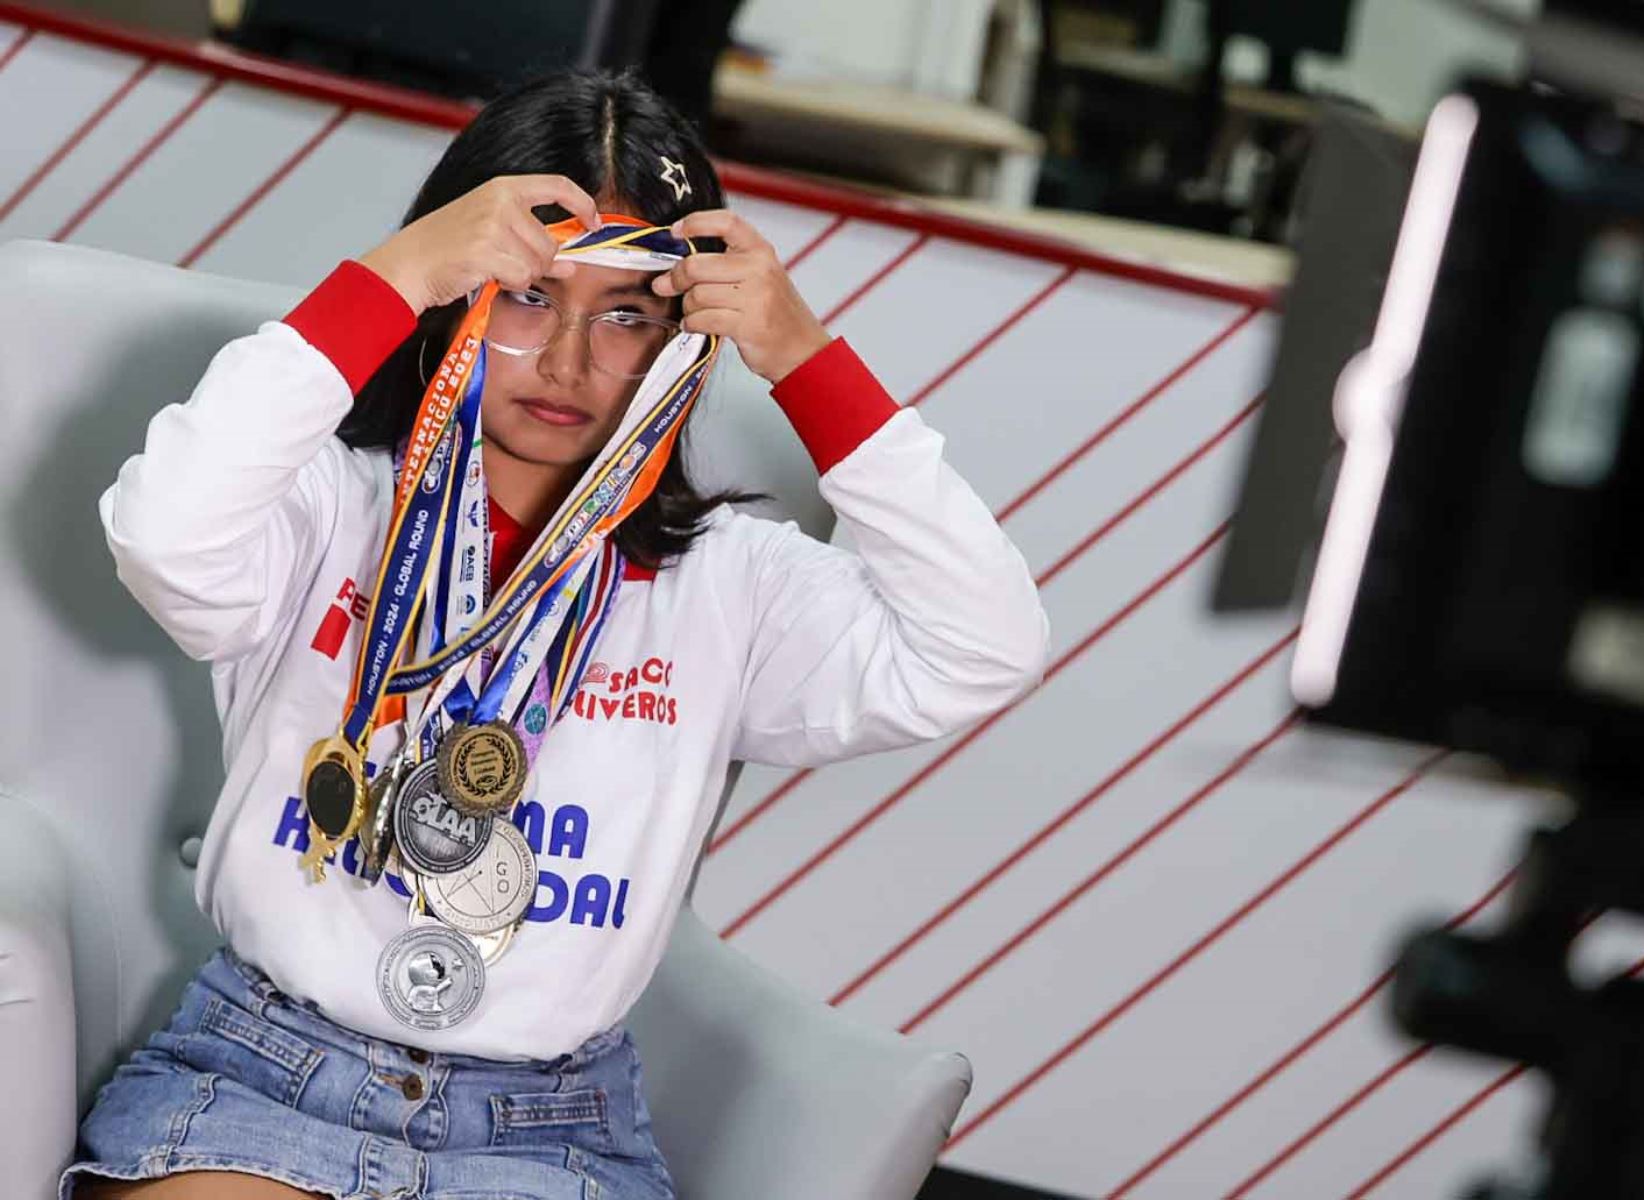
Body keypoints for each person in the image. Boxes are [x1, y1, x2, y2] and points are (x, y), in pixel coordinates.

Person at [65, 68, 1048, 1200]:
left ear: (685, 337)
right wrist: (394, 273)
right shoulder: (320, 509)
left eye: (626, 314)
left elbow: (986, 647)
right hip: (265, 1075)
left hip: (545, 1130)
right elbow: (161, 531)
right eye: (529, 296)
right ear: (456, 289)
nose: (572, 365)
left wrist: (806, 360)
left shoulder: (728, 585)